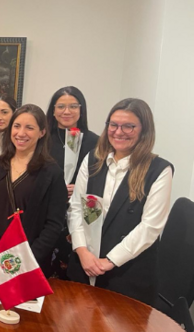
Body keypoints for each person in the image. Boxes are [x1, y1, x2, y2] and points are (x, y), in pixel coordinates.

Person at [67, 98, 173, 305]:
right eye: (113, 125)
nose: (118, 132)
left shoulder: (159, 170)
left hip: (127, 275)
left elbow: (150, 227)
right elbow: (76, 209)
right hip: (84, 264)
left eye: (129, 126)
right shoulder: (92, 160)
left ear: (144, 130)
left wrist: (109, 262)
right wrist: (82, 250)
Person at [0, 104, 67, 275]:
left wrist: (28, 258)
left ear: (42, 132)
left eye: (29, 128)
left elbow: (53, 224)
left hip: (29, 256)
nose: (21, 133)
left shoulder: (51, 172)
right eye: (17, 126)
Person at [46, 86, 99, 278]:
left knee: (71, 276)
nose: (66, 111)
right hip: (48, 213)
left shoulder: (96, 142)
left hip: (79, 216)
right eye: (61, 106)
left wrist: (81, 188)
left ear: (81, 109)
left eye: (73, 106)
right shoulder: (42, 139)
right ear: (53, 110)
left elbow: (101, 178)